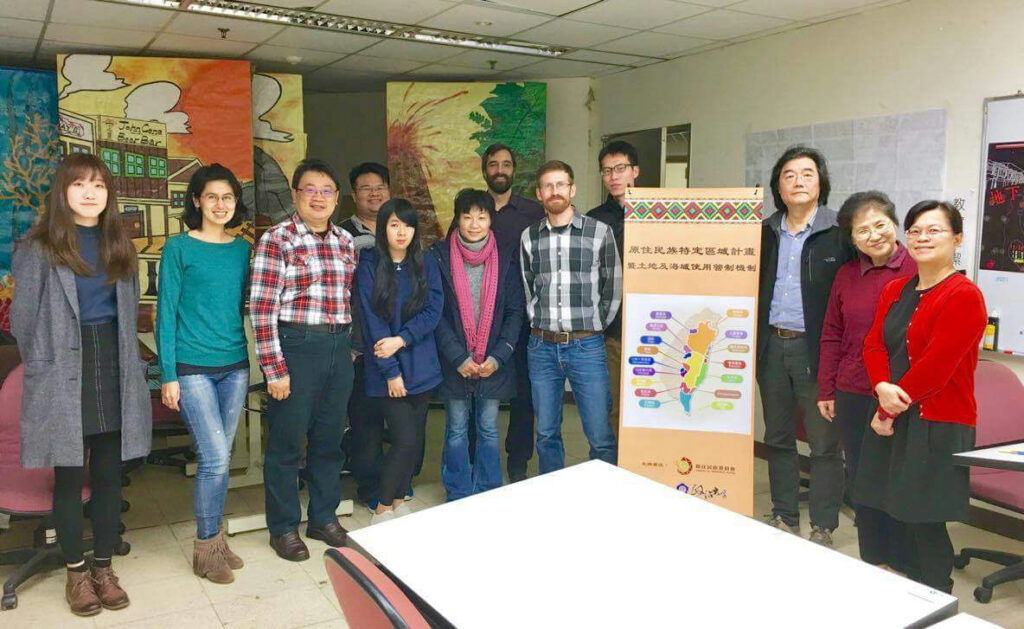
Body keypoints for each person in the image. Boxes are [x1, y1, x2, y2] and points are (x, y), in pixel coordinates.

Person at [11, 153, 152, 616]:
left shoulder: (120, 244)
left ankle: (105, 568)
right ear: (62, 192)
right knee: (69, 477)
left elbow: (127, 311)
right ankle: (76, 572)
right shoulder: (38, 247)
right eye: (79, 185)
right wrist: (48, 366)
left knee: (111, 475)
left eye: (98, 185)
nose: (90, 193)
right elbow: (24, 322)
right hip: (61, 368)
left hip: (113, 362)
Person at [857, 200, 985, 594]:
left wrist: (887, 410)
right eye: (914, 230)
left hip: (936, 422)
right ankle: (898, 590)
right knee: (880, 506)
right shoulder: (896, 289)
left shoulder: (964, 295)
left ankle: (934, 596)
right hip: (890, 412)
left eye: (934, 230)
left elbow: (936, 368)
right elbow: (873, 346)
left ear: (957, 239)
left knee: (921, 517)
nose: (922, 237)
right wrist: (880, 386)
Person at [250, 159, 356, 561]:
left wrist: (347, 350)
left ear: (336, 198)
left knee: (330, 439)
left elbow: (346, 300)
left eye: (326, 190)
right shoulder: (277, 239)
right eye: (309, 189)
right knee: (287, 443)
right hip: (295, 346)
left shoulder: (345, 241)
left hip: (337, 347)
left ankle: (324, 517)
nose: (318, 197)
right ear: (295, 194)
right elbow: (261, 309)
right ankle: (283, 527)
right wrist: (274, 369)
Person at [156, 164, 251, 583]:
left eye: (227, 197)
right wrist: (168, 374)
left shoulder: (242, 250)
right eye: (211, 196)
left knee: (223, 458)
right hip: (192, 367)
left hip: (235, 365)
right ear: (196, 201)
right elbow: (165, 314)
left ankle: (217, 541)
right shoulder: (178, 248)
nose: (220, 204)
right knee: (213, 459)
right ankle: (206, 546)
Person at [757, 145, 853, 546]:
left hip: (818, 352)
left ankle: (824, 525)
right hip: (772, 347)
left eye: (807, 174)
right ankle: (784, 514)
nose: (798, 181)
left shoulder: (840, 230)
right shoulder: (764, 231)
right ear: (778, 186)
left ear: (821, 182)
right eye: (789, 175)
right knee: (777, 437)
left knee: (824, 444)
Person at [816, 191, 916, 569]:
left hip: (904, 395)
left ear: (894, 224)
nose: (873, 235)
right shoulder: (846, 274)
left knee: (899, 480)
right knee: (862, 480)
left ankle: (907, 565)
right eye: (862, 230)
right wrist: (826, 387)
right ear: (852, 238)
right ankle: (874, 562)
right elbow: (832, 334)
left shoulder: (918, 270)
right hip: (854, 390)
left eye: (880, 225)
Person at [521, 160, 620, 474]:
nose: (555, 191)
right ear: (540, 193)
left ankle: (602, 496)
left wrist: (596, 325)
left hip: (586, 346)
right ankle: (555, 499)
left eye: (560, 184)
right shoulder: (529, 237)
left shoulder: (599, 232)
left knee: (600, 433)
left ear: (572, 189)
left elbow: (613, 285)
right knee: (546, 432)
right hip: (542, 347)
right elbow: (528, 287)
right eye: (548, 186)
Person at [355, 198, 443, 523]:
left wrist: (402, 338)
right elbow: (371, 320)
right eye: (394, 225)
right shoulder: (368, 264)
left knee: (414, 440)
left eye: (407, 225)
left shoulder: (425, 263)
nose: (401, 231)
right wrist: (391, 371)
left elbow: (434, 310)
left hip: (422, 367)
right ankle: (381, 507)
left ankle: (396, 502)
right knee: (404, 440)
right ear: (383, 229)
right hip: (386, 372)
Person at [433, 189, 524, 500]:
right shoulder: (439, 256)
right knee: (456, 428)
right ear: (457, 219)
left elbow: (514, 312)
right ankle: (457, 491)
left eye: (481, 217)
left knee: (488, 428)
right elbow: (437, 314)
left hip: (493, 362)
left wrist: (499, 357)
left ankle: (487, 490)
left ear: (490, 220)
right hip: (454, 361)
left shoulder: (506, 257)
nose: (474, 224)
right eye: (467, 216)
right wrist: (458, 357)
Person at [481, 143, 545, 482]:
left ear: (514, 169)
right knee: (479, 396)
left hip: (523, 319)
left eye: (506, 164)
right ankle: (480, 463)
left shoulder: (532, 213)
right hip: (477, 322)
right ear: (485, 170)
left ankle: (518, 463)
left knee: (524, 396)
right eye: (494, 164)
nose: (500, 170)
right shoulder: (473, 209)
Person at [338, 162, 390, 511]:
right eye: (365, 188)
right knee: (366, 419)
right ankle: (369, 485)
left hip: (398, 341)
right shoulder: (340, 234)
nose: (374, 193)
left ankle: (398, 481)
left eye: (380, 187)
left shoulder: (402, 228)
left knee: (401, 419)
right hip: (360, 343)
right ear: (353, 195)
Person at [588, 140, 637, 437]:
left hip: (653, 326)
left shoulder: (657, 214)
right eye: (607, 171)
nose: (614, 176)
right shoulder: (592, 220)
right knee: (613, 410)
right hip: (611, 333)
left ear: (635, 171)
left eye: (620, 168)